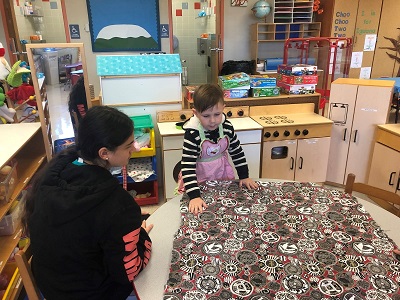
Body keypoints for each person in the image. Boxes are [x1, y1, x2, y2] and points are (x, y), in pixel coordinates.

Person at [22, 106, 153, 300]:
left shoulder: (57, 169)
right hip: (90, 293)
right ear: (104, 153)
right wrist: (142, 237)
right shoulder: (119, 205)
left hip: (51, 287)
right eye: (128, 145)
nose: (134, 148)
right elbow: (128, 271)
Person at [179, 83, 258, 214]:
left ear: (223, 108)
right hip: (198, 179)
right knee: (202, 212)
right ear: (196, 113)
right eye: (206, 116)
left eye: (217, 114)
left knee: (223, 209)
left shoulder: (226, 127)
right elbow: (188, 166)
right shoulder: (192, 133)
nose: (213, 121)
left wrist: (244, 176)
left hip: (221, 174)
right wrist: (194, 196)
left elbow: (236, 151)